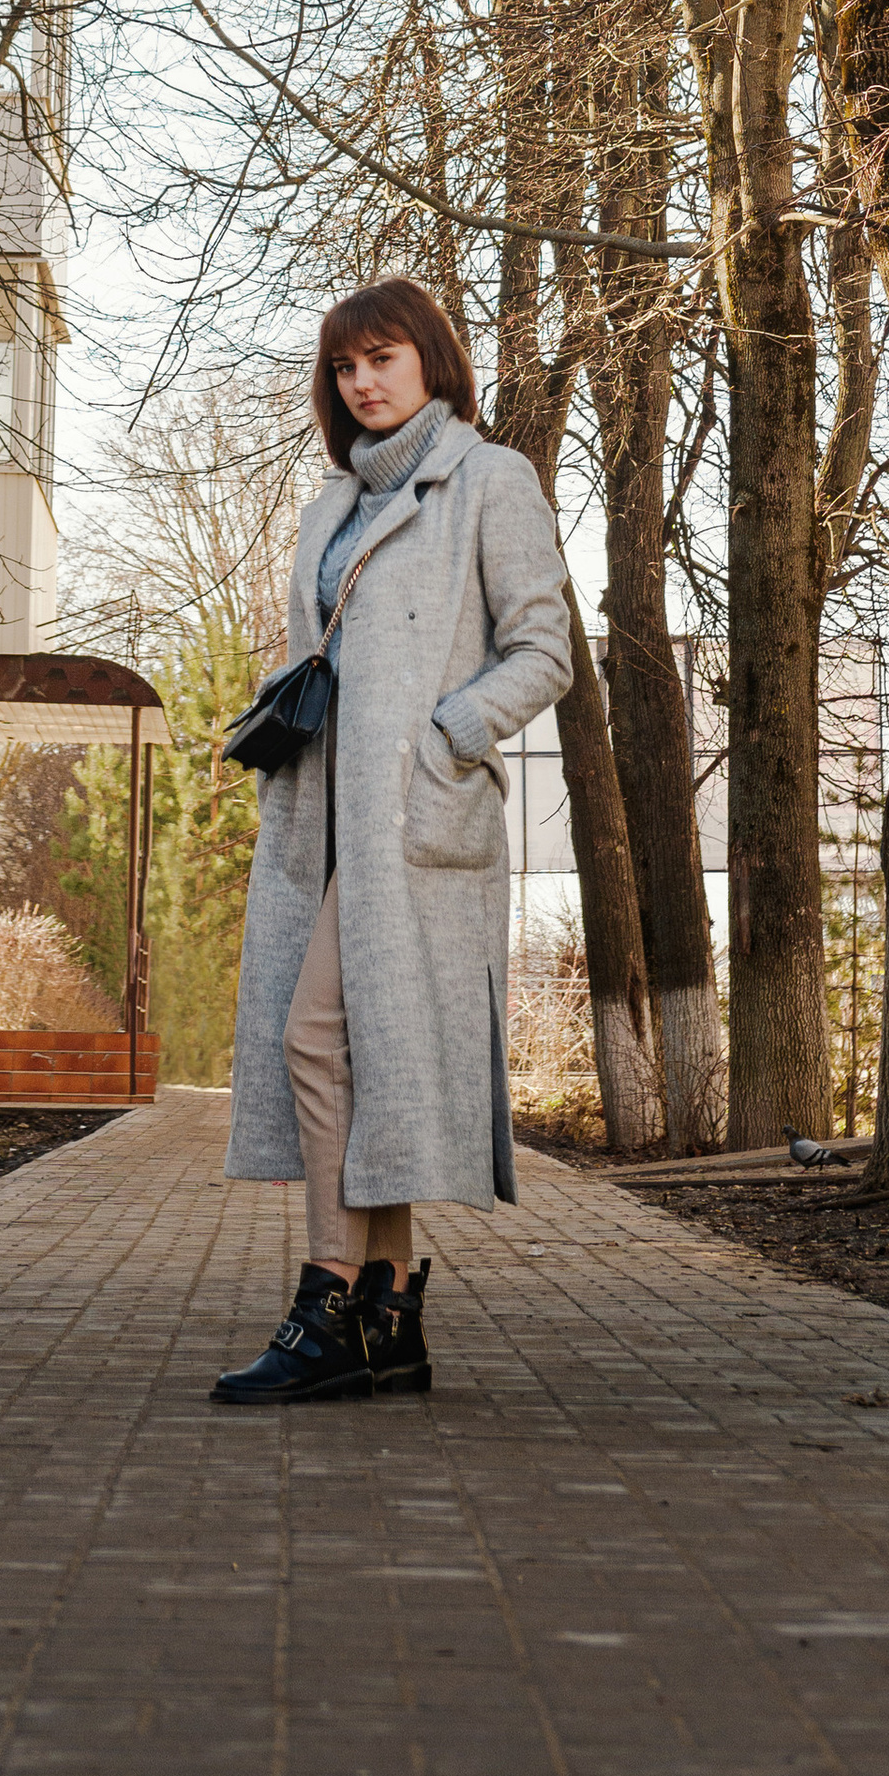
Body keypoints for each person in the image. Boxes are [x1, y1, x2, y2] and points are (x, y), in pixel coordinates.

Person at [212, 275, 571, 1405]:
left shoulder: (488, 480)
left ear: (431, 362)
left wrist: (443, 734)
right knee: (356, 1051)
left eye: (381, 359)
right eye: (344, 367)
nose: (361, 382)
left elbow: (544, 649)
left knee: (319, 1039)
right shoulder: (331, 508)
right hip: (322, 821)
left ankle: (326, 1295)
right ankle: (389, 1310)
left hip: (414, 824)